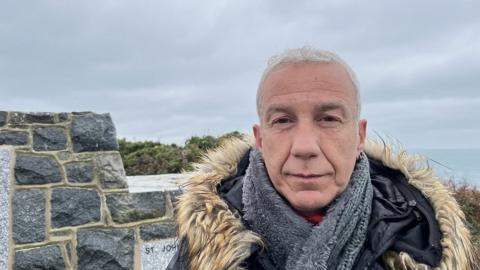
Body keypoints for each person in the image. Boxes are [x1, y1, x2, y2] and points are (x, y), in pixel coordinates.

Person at [167, 47, 475, 270]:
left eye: (328, 119)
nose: (304, 146)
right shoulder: (203, 243)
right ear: (260, 139)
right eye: (283, 121)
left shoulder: (428, 238)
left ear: (359, 136)